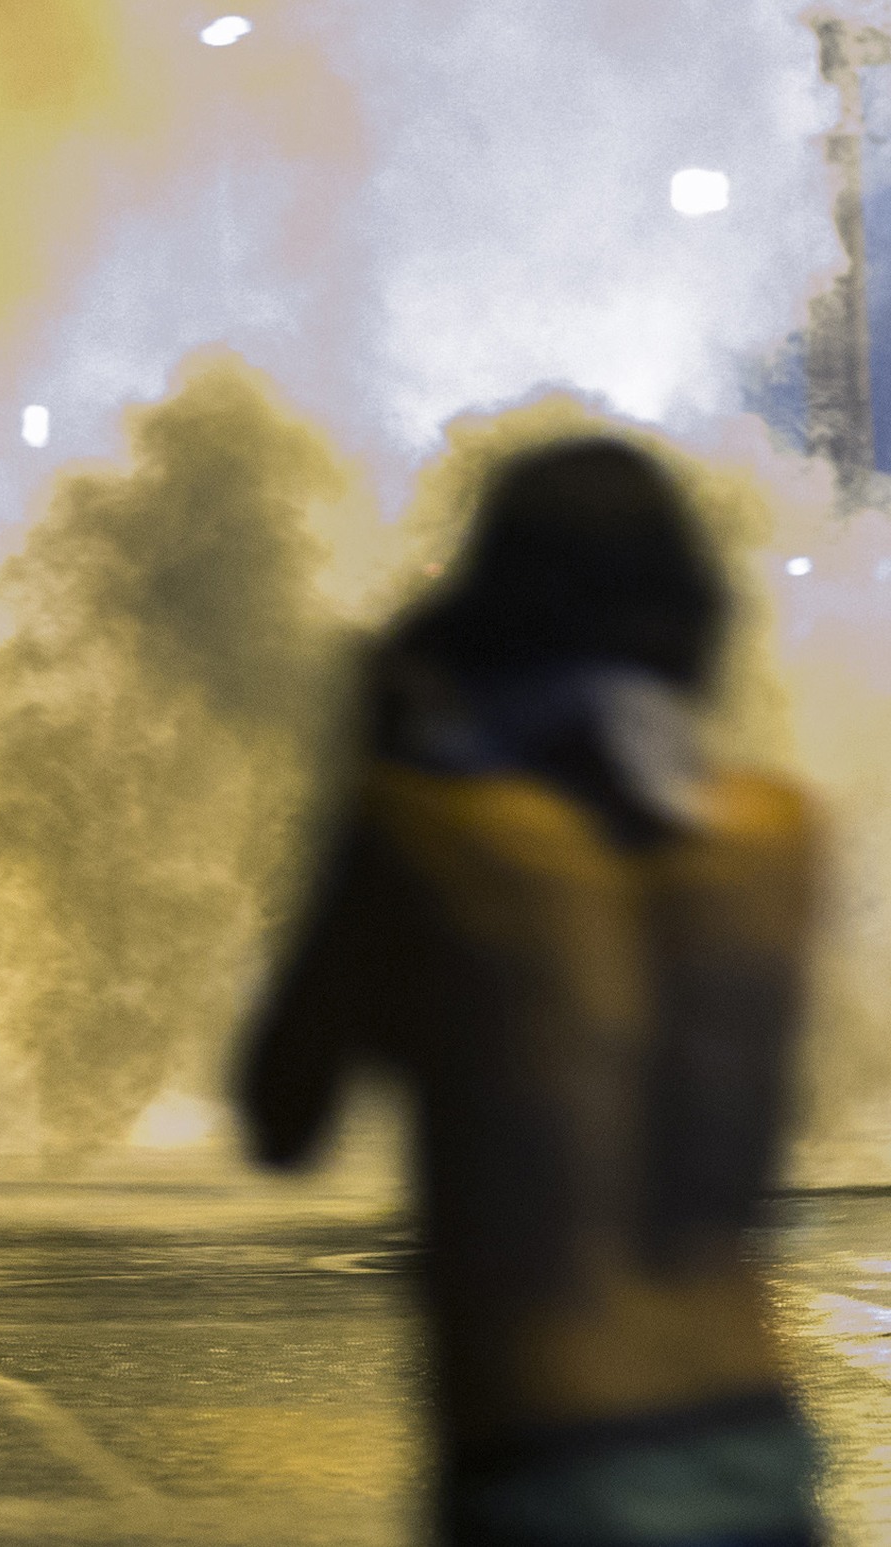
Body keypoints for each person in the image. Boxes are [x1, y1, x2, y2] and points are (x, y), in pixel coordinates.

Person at [238, 439, 822, 1546]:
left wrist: (374, 764)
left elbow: (282, 1112)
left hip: (550, 1448)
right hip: (755, 1434)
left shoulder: (430, 834)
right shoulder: (782, 836)